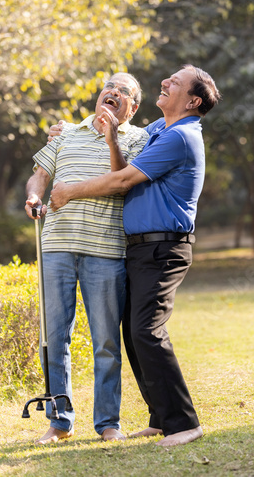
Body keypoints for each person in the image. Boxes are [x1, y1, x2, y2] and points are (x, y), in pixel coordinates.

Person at [49, 64, 221, 447]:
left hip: (165, 247)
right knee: (133, 332)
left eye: (174, 82)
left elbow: (125, 179)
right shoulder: (160, 130)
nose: (165, 81)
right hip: (142, 247)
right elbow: (126, 137)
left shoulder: (181, 136)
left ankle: (184, 423)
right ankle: (160, 417)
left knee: (147, 331)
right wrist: (77, 130)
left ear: (192, 100)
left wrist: (69, 192)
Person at [25, 72, 149, 444]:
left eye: (123, 91)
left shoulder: (140, 139)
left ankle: (108, 423)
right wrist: (34, 196)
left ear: (133, 106)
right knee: (54, 337)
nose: (112, 92)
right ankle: (59, 421)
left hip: (106, 251)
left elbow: (122, 178)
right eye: (108, 87)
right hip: (56, 246)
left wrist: (112, 137)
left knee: (106, 341)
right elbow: (39, 175)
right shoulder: (67, 133)